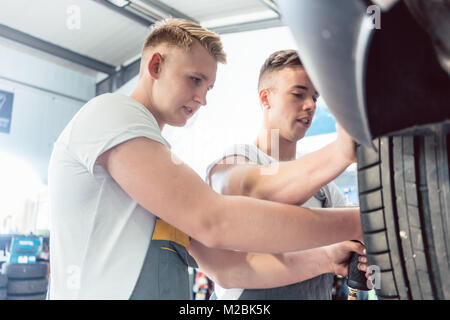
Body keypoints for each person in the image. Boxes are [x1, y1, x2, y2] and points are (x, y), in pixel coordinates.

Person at [48, 19, 365, 300]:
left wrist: (325, 259)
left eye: (209, 87)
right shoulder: (110, 113)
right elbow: (215, 221)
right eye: (195, 80)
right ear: (156, 66)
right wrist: (359, 219)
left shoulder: (162, 172)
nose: (203, 98)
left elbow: (229, 268)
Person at [204, 49, 367, 299]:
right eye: (298, 94)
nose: (311, 105)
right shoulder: (237, 159)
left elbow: (358, 233)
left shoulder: (323, 187)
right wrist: (340, 152)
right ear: (266, 98)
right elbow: (249, 191)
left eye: (315, 97)